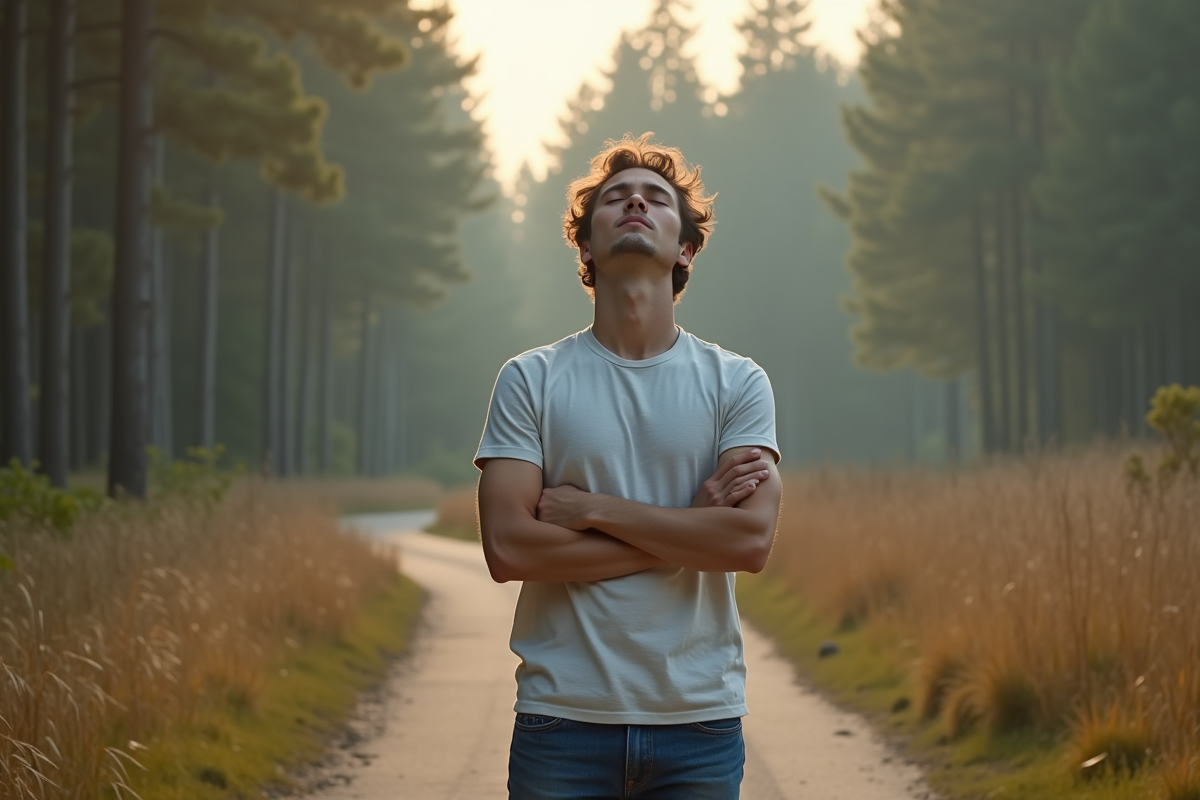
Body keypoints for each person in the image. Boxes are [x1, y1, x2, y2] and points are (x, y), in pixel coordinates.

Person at [474, 132, 782, 799]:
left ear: (686, 249)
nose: (635, 203)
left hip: (697, 724)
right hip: (562, 722)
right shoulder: (530, 380)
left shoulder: (738, 383)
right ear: (585, 246)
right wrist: (687, 530)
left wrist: (591, 511)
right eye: (615, 199)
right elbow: (507, 548)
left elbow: (748, 542)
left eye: (655, 199)